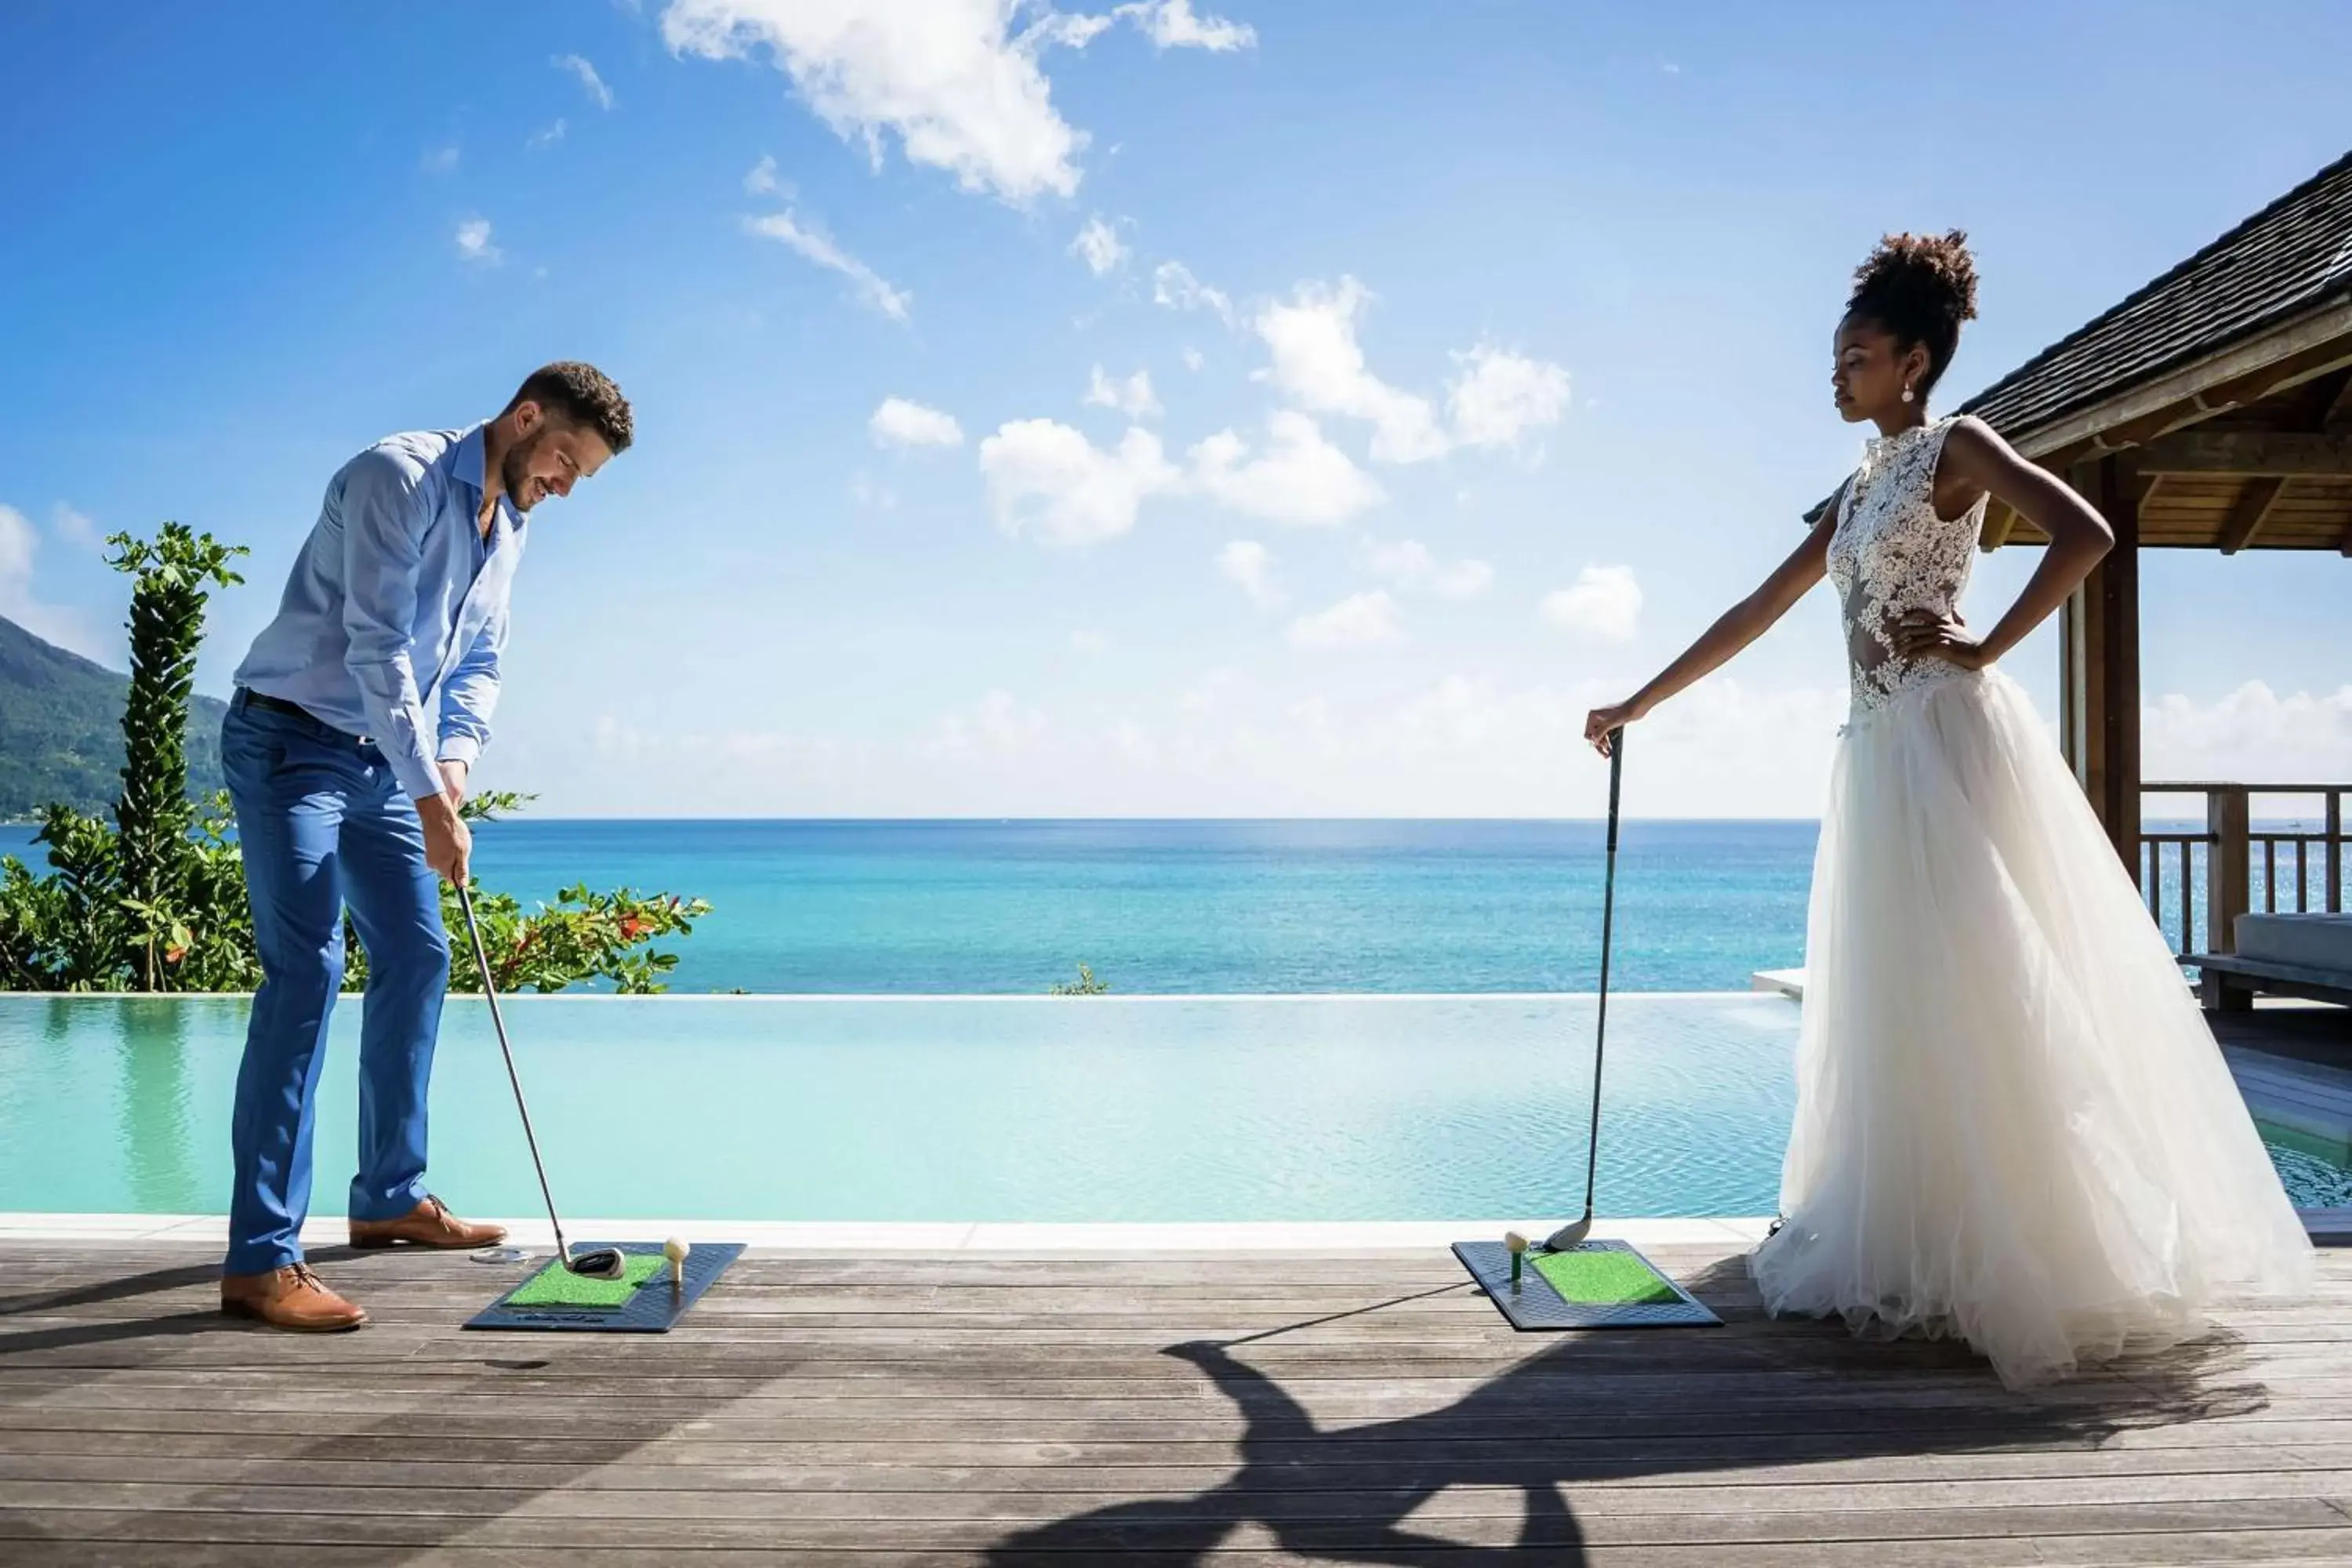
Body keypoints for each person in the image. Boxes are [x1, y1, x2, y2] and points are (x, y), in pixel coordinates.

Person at [1584, 234, 2314, 1388]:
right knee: (1907, 1005)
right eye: (1836, 357)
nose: (1837, 374)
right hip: (1877, 752)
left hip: (1941, 739)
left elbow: (2088, 533)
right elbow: (1760, 605)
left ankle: (2033, 1263)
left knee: (1986, 995)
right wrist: (1638, 701)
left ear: (1912, 362)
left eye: (1857, 356)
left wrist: (1983, 646)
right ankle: (1930, 1249)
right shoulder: (1863, 485)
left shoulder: (1956, 448)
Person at [218, 362, 633, 1331]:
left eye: (582, 476)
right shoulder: (395, 477)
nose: (565, 484)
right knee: (307, 972)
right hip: (291, 742)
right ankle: (260, 1260)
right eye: (565, 458)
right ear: (525, 419)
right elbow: (376, 649)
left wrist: (451, 766)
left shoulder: (512, 525)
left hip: (380, 760)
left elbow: (479, 660)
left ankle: (388, 1197)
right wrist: (425, 796)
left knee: (418, 950)